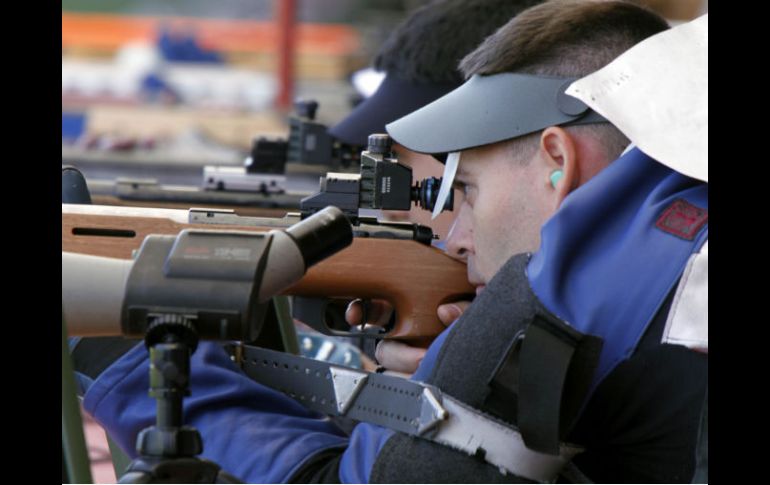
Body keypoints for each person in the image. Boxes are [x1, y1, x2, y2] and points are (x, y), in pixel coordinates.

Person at [71, 1, 707, 482]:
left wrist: (120, 350)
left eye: (465, 191)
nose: (454, 237)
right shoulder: (676, 239)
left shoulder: (562, 300)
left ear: (557, 161)